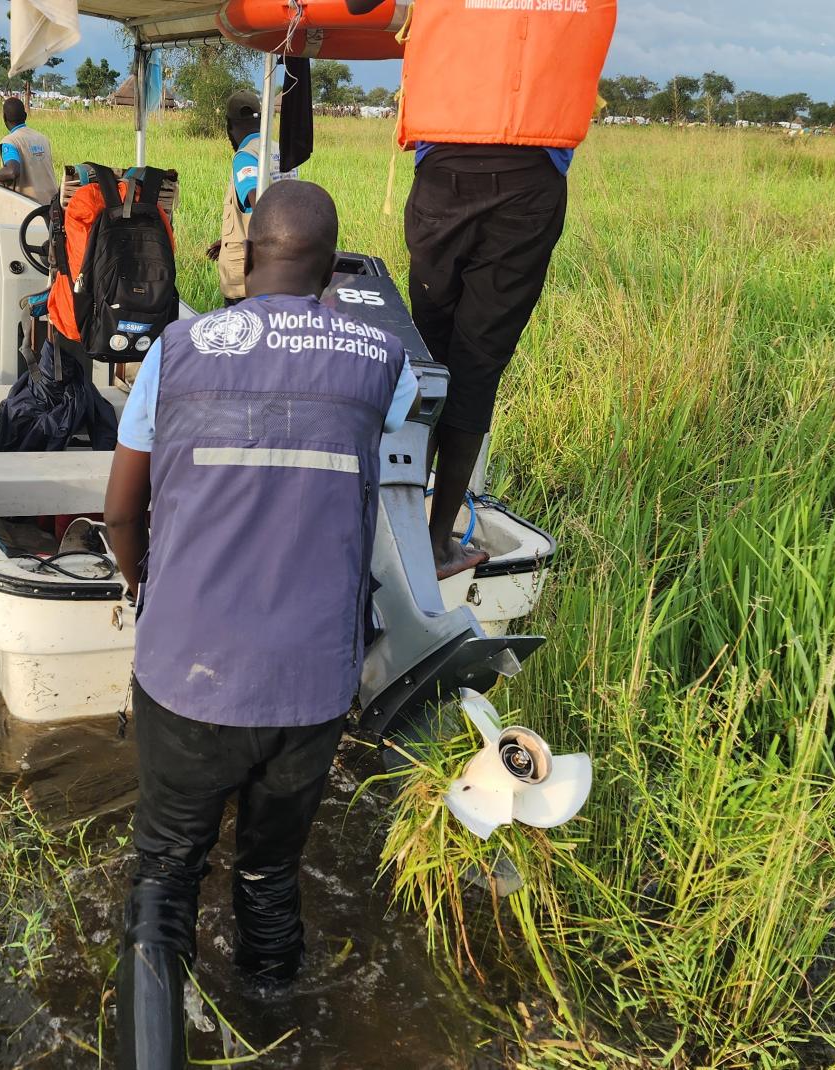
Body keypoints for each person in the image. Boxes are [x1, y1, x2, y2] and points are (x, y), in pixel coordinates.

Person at [103, 181, 418, 1069]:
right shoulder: (378, 358)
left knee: (164, 879)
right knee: (271, 873)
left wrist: (144, 586)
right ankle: (285, 1034)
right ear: (330, 267)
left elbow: (124, 512)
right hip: (313, 684)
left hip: (189, 671)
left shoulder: (180, 348)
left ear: (246, 256)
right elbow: (393, 486)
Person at [399, 0, 616, 578]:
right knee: (476, 363)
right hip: (530, 182)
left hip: (444, 168)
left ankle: (395, 523)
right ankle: (438, 540)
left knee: (427, 358)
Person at [209, 90, 296, 305]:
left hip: (248, 275)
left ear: (229, 125)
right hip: (282, 266)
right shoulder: (279, 150)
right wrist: (230, 239)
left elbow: (258, 203)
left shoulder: (246, 156)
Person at [0, 96, 60, 203]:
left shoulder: (10, 142)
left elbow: (12, 172)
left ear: (4, 118)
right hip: (52, 204)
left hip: (30, 208)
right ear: (25, 116)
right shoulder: (42, 138)